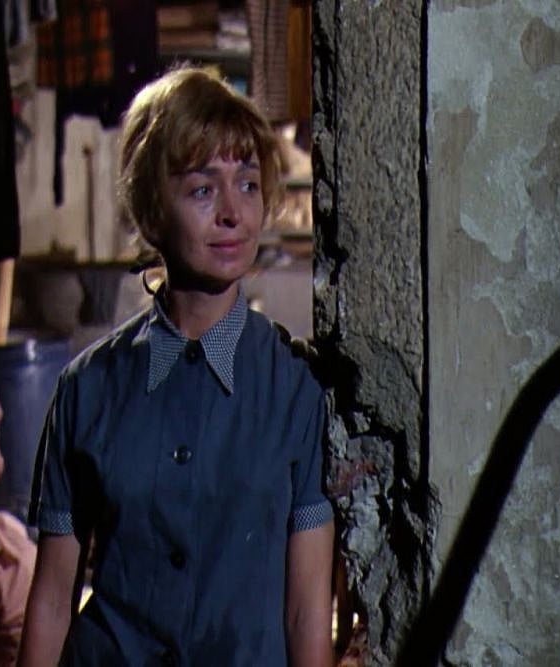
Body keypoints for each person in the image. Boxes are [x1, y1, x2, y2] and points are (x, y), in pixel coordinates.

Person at [18, 65, 335, 666]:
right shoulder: (88, 388)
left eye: (248, 184)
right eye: (202, 190)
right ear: (151, 210)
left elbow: (307, 614)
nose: (232, 213)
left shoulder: (295, 388)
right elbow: (53, 600)